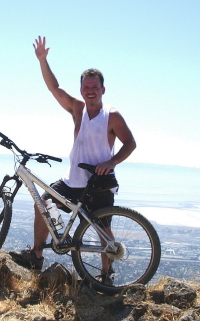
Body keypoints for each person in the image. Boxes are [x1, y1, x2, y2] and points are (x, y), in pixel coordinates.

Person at [9, 36, 136, 282]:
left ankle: (106, 275)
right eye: (86, 87)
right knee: (43, 205)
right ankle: (36, 255)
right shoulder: (77, 109)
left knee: (103, 229)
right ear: (81, 90)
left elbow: (130, 143)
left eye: (95, 87)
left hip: (99, 181)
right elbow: (54, 89)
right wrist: (43, 61)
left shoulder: (112, 116)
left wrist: (112, 162)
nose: (90, 91)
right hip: (73, 180)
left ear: (103, 89)